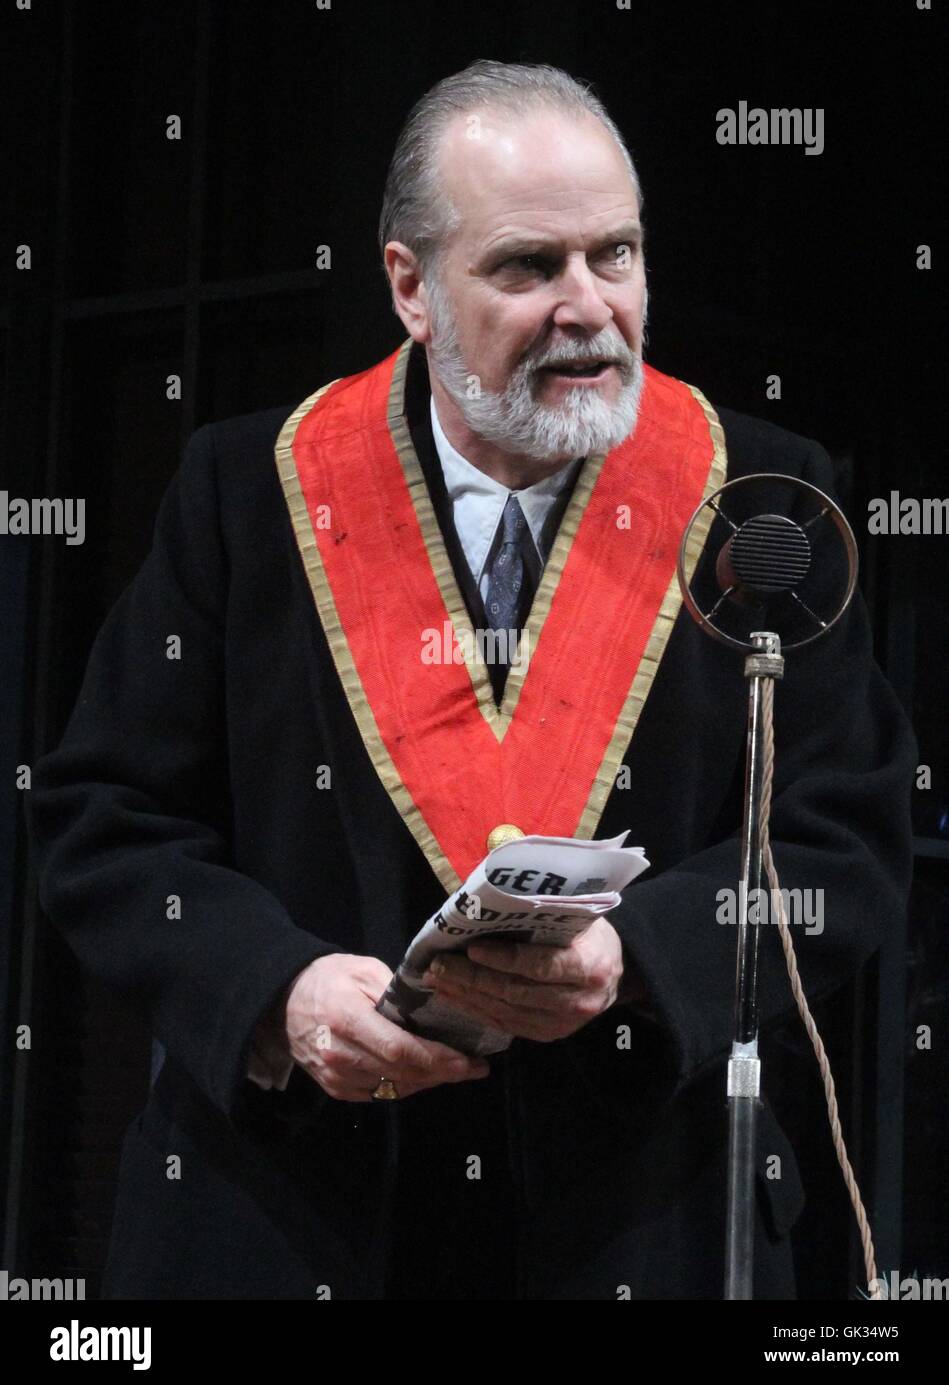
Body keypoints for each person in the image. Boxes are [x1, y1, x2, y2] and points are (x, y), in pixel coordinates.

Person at [27, 60, 916, 1300]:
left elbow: (846, 836)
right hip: (295, 1217)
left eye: (616, 255)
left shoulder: (756, 496)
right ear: (410, 286)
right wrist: (275, 992)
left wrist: (642, 961)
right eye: (526, 266)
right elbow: (102, 822)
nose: (587, 307)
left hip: (640, 1220)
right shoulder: (248, 492)